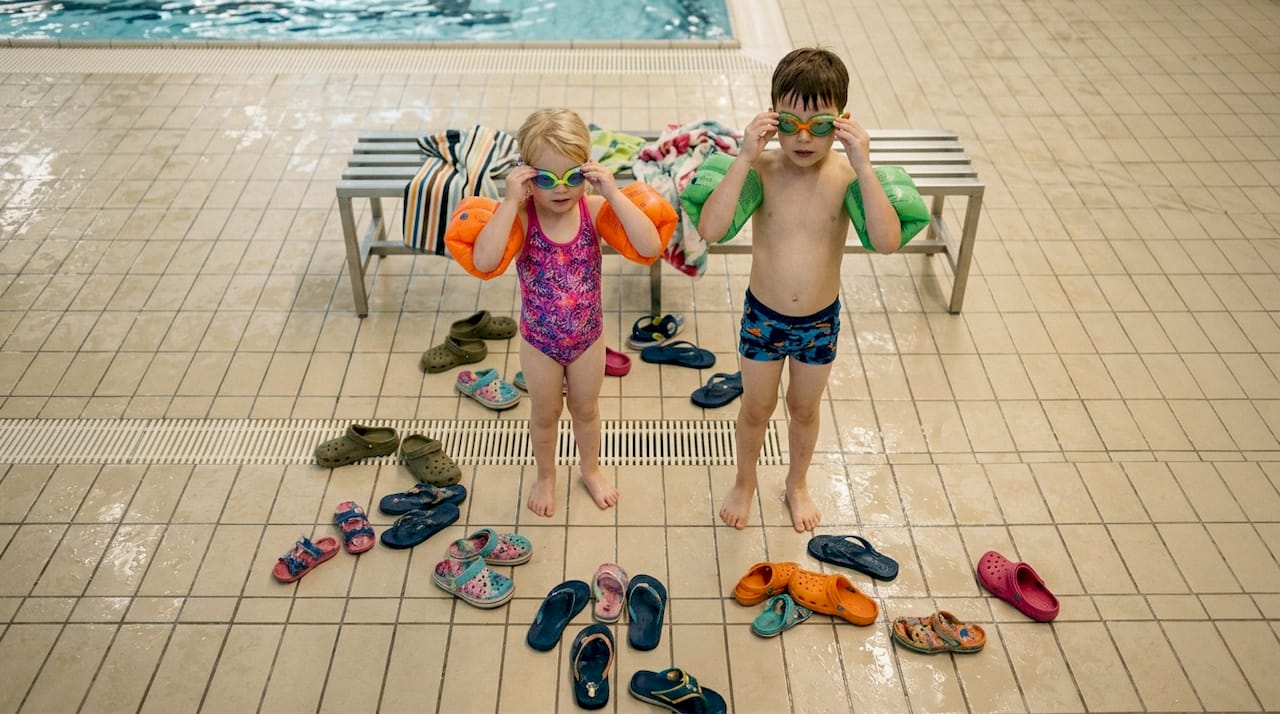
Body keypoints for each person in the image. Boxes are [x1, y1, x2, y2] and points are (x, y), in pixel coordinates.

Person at [693, 48, 904, 532]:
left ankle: (797, 483)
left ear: (843, 122)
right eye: (790, 124)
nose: (804, 138)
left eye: (821, 125)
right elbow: (711, 229)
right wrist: (746, 154)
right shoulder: (762, 171)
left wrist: (865, 165)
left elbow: (888, 242)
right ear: (771, 119)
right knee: (756, 407)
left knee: (804, 408)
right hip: (763, 317)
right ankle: (744, 481)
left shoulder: (848, 176)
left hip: (818, 321)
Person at [465, 108, 668, 517]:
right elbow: (485, 262)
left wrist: (612, 193)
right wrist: (508, 202)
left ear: (588, 172)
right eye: (545, 179)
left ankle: (590, 470)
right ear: (526, 176)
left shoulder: (593, 211)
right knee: (545, 413)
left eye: (572, 177)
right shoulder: (523, 218)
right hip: (539, 342)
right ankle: (546, 476)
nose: (561, 190)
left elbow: (649, 247)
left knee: (586, 409)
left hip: (588, 340)